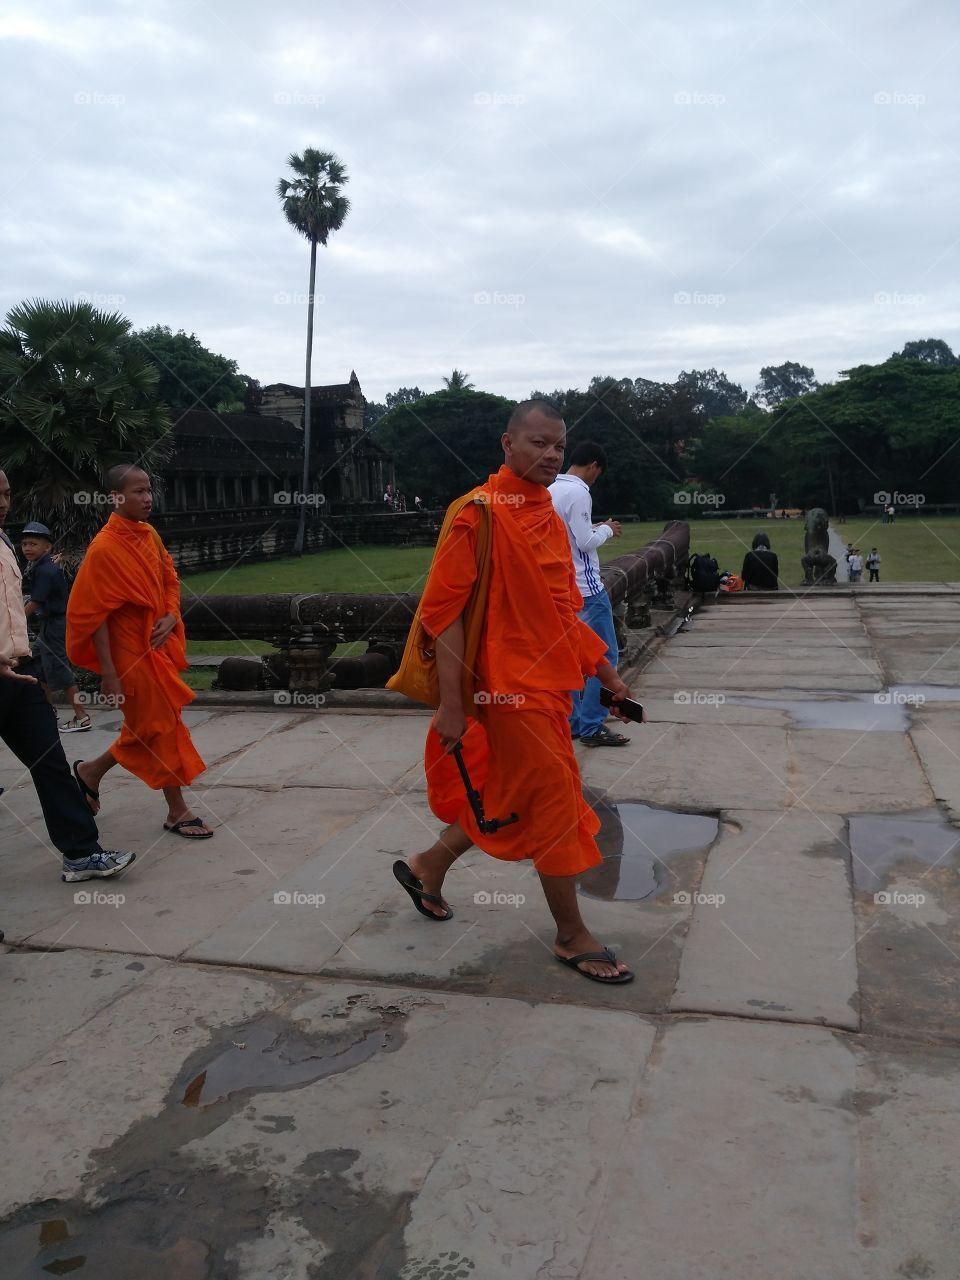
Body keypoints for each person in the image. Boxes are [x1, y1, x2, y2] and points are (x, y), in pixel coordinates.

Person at [392, 400, 639, 984]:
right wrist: (453, 706)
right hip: (505, 690)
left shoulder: (547, 516)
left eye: (558, 445)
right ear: (507, 444)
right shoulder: (476, 516)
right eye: (538, 443)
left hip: (550, 686)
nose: (551, 454)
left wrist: (606, 675)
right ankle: (571, 933)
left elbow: (559, 612)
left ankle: (427, 866)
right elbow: (444, 616)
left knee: (512, 797)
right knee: (555, 805)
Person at [0, 470, 135, 882]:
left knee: (51, 761)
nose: (3, 501)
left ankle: (80, 852)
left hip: (19, 673)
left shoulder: (6, 542)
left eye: (6, 492)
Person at [67, 466, 213, 839]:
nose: (147, 498)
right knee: (157, 724)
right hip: (126, 650)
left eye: (149, 491)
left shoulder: (148, 534)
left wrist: (169, 612)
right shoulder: (104, 548)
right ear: (117, 497)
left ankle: (90, 772)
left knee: (153, 724)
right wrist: (109, 672)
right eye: (138, 492)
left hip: (154, 642)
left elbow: (169, 578)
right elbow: (95, 615)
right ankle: (177, 811)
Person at [549, 440, 629, 746]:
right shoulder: (580, 491)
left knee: (568, 658)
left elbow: (567, 535)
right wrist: (606, 529)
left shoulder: (551, 489)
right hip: (587, 588)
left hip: (561, 589)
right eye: (598, 472)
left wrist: (593, 526)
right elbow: (584, 543)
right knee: (603, 654)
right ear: (593, 466)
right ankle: (592, 725)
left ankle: (570, 721)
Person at [20, 522, 91, 732]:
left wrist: (16, 619)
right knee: (39, 664)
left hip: (55, 625)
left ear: (47, 547)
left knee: (61, 669)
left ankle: (82, 716)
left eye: (33, 544)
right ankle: (49, 712)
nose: (27, 548)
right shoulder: (43, 565)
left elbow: (36, 602)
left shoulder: (44, 570)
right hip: (49, 625)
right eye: (24, 544)